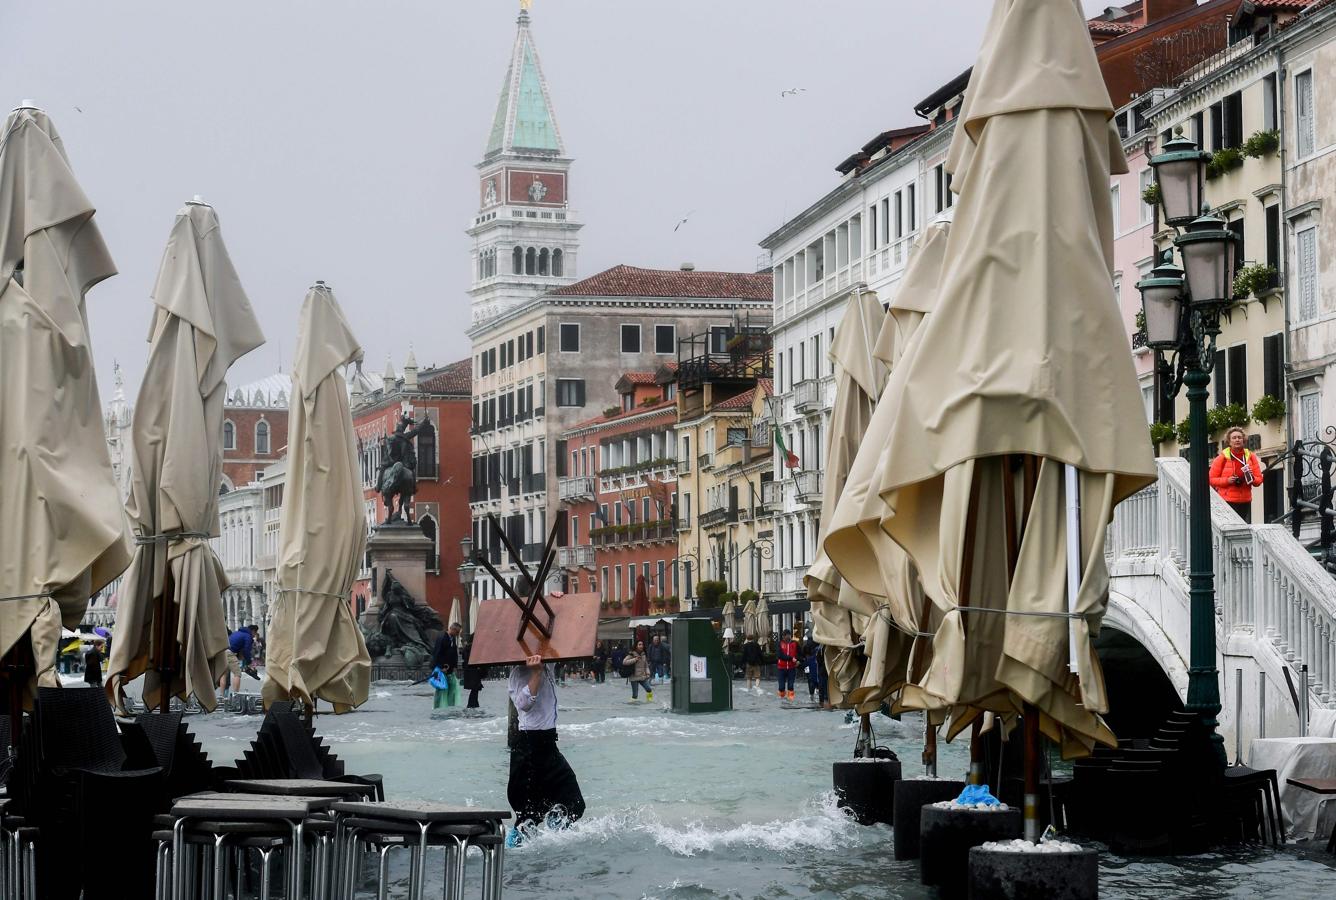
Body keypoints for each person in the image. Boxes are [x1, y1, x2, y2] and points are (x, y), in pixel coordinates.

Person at [507, 653, 585, 840]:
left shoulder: (547, 665)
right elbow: (523, 705)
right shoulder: (519, 672)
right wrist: (535, 674)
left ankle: (553, 840)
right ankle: (514, 852)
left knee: (574, 803)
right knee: (528, 814)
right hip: (529, 748)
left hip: (548, 745)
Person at [1210, 426, 1263, 523]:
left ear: (1244, 440)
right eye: (1234, 438)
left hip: (1245, 500)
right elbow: (1211, 479)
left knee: (1242, 527)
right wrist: (1227, 480)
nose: (1237, 440)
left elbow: (1259, 480)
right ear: (1229, 442)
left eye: (1239, 437)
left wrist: (1251, 478)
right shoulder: (1222, 458)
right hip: (1227, 500)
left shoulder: (1251, 457)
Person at [220, 624, 259, 699]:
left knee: (223, 674)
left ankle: (222, 696)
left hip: (223, 652)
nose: (254, 636)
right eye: (255, 633)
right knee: (237, 674)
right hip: (230, 653)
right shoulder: (248, 636)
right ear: (253, 631)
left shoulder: (237, 633)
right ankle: (236, 695)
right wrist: (249, 662)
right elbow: (246, 650)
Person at [430, 623, 462, 708]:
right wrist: (441, 667)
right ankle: (437, 707)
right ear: (452, 629)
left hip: (449, 669)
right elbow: (437, 653)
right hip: (442, 668)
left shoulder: (453, 638)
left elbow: (454, 653)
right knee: (441, 688)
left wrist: (455, 666)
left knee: (451, 687)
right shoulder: (442, 637)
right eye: (457, 632)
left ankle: (449, 705)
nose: (458, 634)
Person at [802, 634, 829, 707]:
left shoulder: (815, 652)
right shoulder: (819, 650)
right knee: (822, 687)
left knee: (815, 684)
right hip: (820, 673)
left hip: (816, 673)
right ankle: (821, 701)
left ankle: (815, 698)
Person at [460, 640, 484, 709]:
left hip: (471, 671)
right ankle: (472, 705)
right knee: (475, 689)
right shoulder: (474, 648)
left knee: (475, 689)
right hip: (474, 671)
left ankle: (474, 704)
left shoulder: (468, 648)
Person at [776, 629, 799, 702]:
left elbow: (800, 654)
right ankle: (782, 700)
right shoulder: (779, 644)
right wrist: (791, 658)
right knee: (781, 686)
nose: (787, 637)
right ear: (783, 636)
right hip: (781, 668)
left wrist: (798, 660)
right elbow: (780, 655)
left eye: (788, 635)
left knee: (790, 686)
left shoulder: (795, 644)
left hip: (792, 668)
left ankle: (791, 700)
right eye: (785, 636)